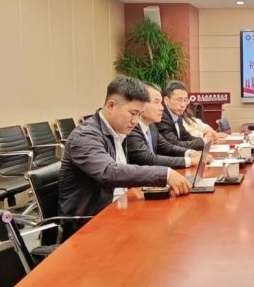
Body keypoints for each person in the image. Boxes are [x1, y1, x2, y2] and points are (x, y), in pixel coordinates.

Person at [59, 76, 191, 225]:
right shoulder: (85, 136)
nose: (135, 121)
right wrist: (165, 174)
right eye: (133, 113)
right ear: (111, 105)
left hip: (120, 209)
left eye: (139, 114)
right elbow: (109, 172)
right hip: (90, 222)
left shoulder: (119, 130)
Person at [128, 83, 202, 169]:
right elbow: (148, 159)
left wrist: (190, 153)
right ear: (141, 104)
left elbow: (167, 147)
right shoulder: (132, 127)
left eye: (160, 103)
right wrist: (189, 161)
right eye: (156, 102)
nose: (162, 108)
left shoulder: (151, 126)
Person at [158, 80, 205, 150]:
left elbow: (186, 137)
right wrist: (203, 142)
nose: (183, 105)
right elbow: (174, 144)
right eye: (179, 100)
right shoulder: (162, 117)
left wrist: (205, 141)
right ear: (166, 100)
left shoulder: (177, 116)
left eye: (185, 100)